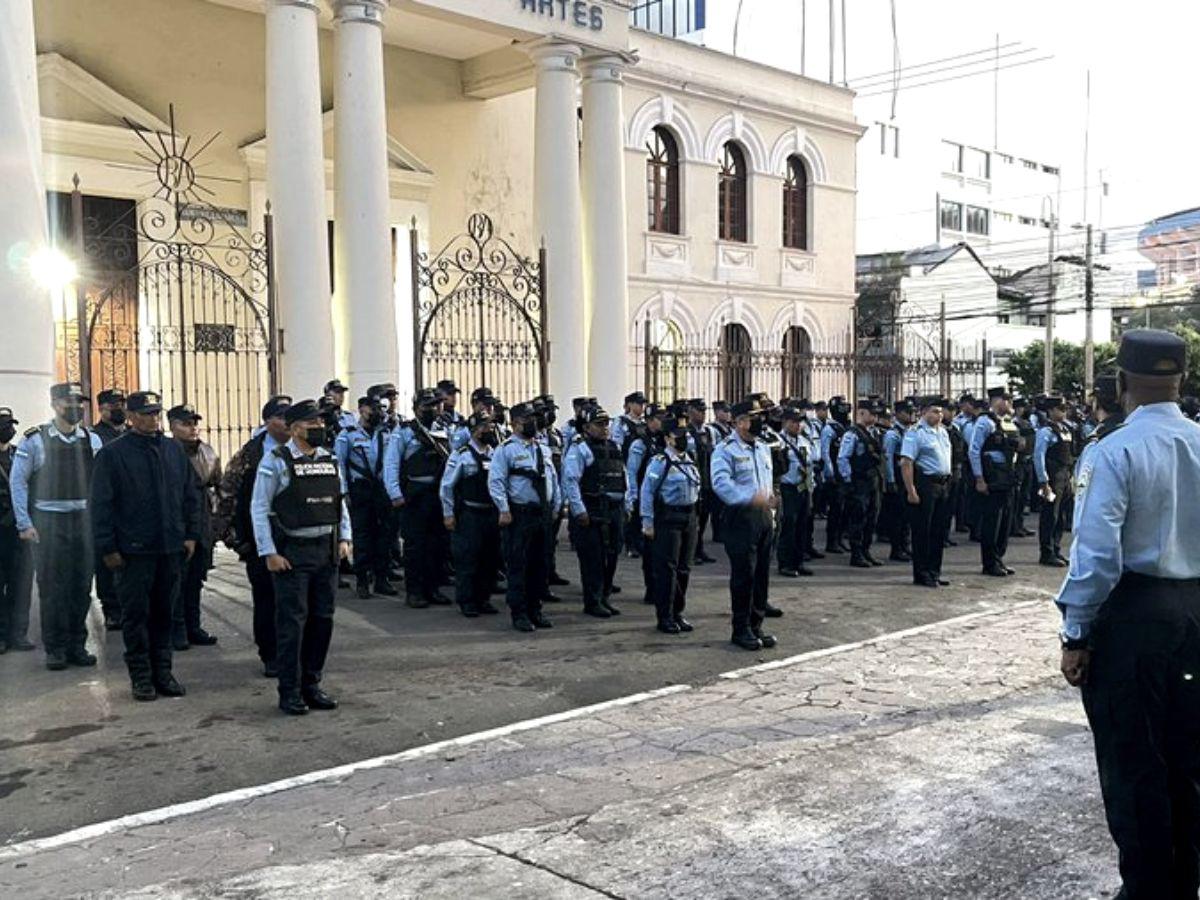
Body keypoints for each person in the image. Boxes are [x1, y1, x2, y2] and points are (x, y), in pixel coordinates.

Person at [1053, 329, 1200, 897]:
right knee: (1188, 762)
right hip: (1194, 614)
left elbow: (1095, 557)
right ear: (1180, 380)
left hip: (1137, 616)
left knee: (1135, 766)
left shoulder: (1113, 449)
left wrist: (1076, 633)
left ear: (1121, 382)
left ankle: (1146, 890)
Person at [91, 391, 200, 701]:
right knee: (136, 616)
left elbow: (190, 495)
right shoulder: (113, 454)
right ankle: (141, 676)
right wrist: (108, 547)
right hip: (133, 550)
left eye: (156, 413)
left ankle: (163, 672)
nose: (153, 419)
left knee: (165, 613)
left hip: (169, 547)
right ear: (131, 417)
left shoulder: (172, 450)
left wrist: (190, 534)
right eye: (146, 414)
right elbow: (101, 505)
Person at [251, 399, 351, 715]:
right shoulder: (276, 461)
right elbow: (259, 508)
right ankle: (289, 691)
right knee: (292, 625)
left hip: (326, 550)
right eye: (312, 423)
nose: (319, 427)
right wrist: (269, 552)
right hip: (292, 554)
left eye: (320, 422)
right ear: (294, 429)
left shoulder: (329, 459)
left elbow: (339, 502)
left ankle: (312, 684)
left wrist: (345, 537)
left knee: (322, 620)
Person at [11, 382, 103, 671]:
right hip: (48, 522)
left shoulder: (92, 440)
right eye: (68, 403)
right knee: (52, 588)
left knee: (81, 586)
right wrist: (24, 523)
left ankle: (77, 645)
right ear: (54, 405)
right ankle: (55, 648)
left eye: (79, 403)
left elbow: (101, 485)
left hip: (83, 521)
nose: (76, 408)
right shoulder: (34, 440)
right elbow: (18, 483)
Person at [217, 394, 292, 677]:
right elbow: (227, 496)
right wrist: (236, 540)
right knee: (267, 600)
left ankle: (293, 653)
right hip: (259, 540)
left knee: (295, 603)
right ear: (268, 421)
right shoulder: (249, 456)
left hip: (296, 539)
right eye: (281, 417)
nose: (286, 423)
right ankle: (270, 654)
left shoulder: (302, 450)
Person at [711, 396, 780, 652]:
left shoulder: (762, 447)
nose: (760, 422)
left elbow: (766, 480)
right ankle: (740, 629)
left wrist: (770, 504)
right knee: (744, 575)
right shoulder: (726, 449)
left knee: (762, 574)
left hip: (763, 517)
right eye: (754, 418)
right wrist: (750, 497)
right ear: (740, 422)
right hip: (740, 517)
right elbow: (721, 484)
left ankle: (756, 625)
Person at [488, 401, 561, 633]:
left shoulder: (542, 449)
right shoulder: (506, 450)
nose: (532, 423)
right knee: (519, 565)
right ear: (514, 423)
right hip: (520, 514)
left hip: (542, 513)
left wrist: (556, 505)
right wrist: (503, 509)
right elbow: (496, 481)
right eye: (527, 419)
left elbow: (552, 479)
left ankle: (535, 609)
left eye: (534, 418)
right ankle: (519, 613)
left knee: (540, 564)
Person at [385, 389, 451, 609]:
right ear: (416, 408)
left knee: (437, 544)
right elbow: (391, 463)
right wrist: (395, 493)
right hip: (415, 495)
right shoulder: (404, 432)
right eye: (427, 406)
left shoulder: (442, 429)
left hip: (437, 494)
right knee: (415, 546)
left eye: (435, 405)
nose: (432, 409)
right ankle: (414, 591)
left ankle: (432, 588)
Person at [561, 404, 624, 619]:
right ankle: (593, 601)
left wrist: (627, 504)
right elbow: (571, 481)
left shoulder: (614, 446)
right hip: (592, 509)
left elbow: (623, 476)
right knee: (593, 559)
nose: (605, 428)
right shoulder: (580, 449)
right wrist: (579, 510)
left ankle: (604, 597)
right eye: (599, 424)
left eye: (606, 423)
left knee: (612, 555)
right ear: (586, 427)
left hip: (614, 509)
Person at [641, 410, 701, 634]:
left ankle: (678, 612)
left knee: (684, 568)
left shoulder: (689, 460)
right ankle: (664, 616)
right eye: (678, 435)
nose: (683, 438)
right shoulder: (660, 462)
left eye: (685, 433)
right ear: (667, 438)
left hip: (689, 517)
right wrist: (647, 522)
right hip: (668, 518)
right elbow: (647, 492)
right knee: (668, 570)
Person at [168, 404, 221, 648]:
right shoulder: (167, 452)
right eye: (186, 424)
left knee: (196, 578)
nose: (192, 428)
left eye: (194, 423)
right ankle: (177, 628)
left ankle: (193, 626)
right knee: (177, 580)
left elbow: (218, 485)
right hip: (178, 521)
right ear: (172, 426)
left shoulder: (207, 451)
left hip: (203, 521)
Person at [440, 412, 501, 618]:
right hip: (469, 514)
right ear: (475, 430)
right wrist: (448, 514)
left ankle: (484, 598)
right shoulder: (461, 455)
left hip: (491, 513)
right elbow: (447, 487)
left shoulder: (495, 454)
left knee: (489, 558)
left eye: (491, 426)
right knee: (468, 559)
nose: (490, 430)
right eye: (486, 426)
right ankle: (467, 601)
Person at [334, 395, 396, 599]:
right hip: (360, 489)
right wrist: (344, 492)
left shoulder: (386, 433)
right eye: (372, 408)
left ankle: (381, 579)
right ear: (361, 409)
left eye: (379, 408)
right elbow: (340, 465)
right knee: (362, 536)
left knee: (384, 535)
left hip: (381, 489)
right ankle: (362, 579)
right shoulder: (348, 435)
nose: (376, 412)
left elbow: (392, 463)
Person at [900, 398, 953, 588]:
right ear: (923, 413)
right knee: (923, 531)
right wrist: (911, 490)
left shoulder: (943, 432)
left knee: (939, 531)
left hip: (943, 484)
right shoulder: (915, 433)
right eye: (935, 411)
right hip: (925, 484)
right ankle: (922, 573)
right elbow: (906, 463)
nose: (940, 415)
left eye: (941, 412)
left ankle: (934, 571)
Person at [969, 386, 1020, 577]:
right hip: (993, 477)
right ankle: (989, 563)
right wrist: (979, 478)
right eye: (1006, 399)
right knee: (993, 522)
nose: (1009, 403)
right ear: (996, 401)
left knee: (1005, 520)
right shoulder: (985, 422)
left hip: (1007, 476)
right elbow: (974, 451)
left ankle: (999, 558)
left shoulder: (1007, 422)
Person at [624, 404, 667, 602]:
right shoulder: (640, 443)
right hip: (646, 500)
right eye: (659, 418)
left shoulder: (667, 440)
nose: (663, 421)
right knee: (650, 549)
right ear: (649, 421)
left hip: (664, 501)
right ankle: (651, 588)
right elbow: (632, 472)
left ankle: (662, 588)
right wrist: (633, 498)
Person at [0, 407, 34, 653]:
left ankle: (18, 634)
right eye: (4, 426)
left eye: (11, 425)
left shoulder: (19, 454)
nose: (9, 430)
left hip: (19, 530)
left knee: (21, 584)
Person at [838, 400, 885, 569]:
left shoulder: (874, 432)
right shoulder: (852, 434)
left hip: (873, 480)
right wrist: (848, 480)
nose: (875, 417)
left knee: (872, 517)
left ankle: (866, 550)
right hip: (859, 482)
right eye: (872, 413)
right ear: (862, 413)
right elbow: (843, 458)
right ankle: (856, 554)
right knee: (858, 518)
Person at [1033, 395, 1074, 568]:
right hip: (1052, 476)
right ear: (1050, 411)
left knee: (1061, 516)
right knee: (1050, 515)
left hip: (1064, 475)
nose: (1064, 412)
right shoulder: (1046, 431)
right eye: (1061, 409)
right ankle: (1047, 552)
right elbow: (1039, 456)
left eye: (1065, 409)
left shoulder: (1065, 429)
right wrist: (1043, 481)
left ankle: (1056, 548)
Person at [776, 406, 815, 578]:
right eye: (793, 422)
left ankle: (799, 562)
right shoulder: (778, 442)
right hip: (787, 488)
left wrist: (811, 486)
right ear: (785, 422)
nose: (797, 425)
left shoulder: (804, 441)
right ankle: (785, 564)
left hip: (803, 488)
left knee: (802, 526)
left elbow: (810, 464)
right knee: (788, 527)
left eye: (799, 422)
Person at [882, 400, 913, 562]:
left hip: (906, 477)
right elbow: (888, 458)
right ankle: (896, 549)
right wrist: (891, 480)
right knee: (897, 516)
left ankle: (905, 545)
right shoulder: (892, 434)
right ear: (899, 413)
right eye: (908, 412)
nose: (911, 415)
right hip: (897, 478)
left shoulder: (908, 431)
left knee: (906, 516)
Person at [820, 396, 851, 554]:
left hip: (844, 473)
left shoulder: (845, 427)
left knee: (844, 508)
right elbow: (825, 452)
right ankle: (832, 541)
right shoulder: (829, 429)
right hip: (834, 474)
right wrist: (829, 472)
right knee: (835, 508)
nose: (845, 410)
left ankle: (839, 539)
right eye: (841, 407)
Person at [704, 400, 733, 544]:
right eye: (725, 411)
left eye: (729, 411)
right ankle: (718, 532)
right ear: (716, 412)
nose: (728, 414)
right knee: (717, 504)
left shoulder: (730, 429)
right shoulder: (711, 429)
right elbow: (712, 449)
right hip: (719, 468)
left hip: (730, 469)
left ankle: (726, 530)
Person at [1009, 397, 1036, 538]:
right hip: (1018, 463)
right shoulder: (1013, 424)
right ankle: (1013, 525)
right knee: (1017, 496)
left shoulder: (1028, 423)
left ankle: (1020, 524)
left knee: (1024, 496)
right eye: (1022, 408)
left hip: (1028, 462)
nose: (1025, 410)